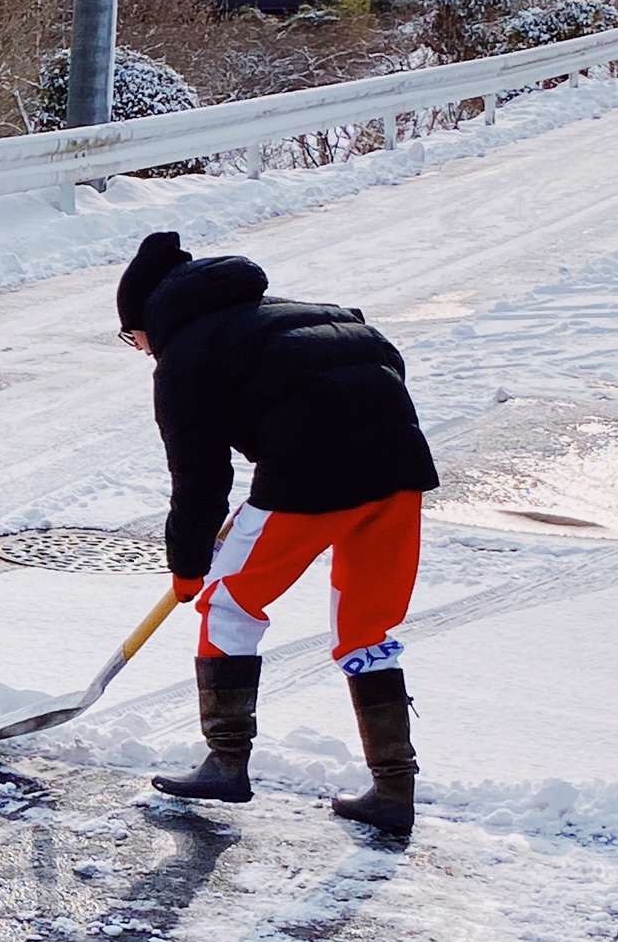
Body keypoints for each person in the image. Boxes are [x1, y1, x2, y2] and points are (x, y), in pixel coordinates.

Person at [115, 230, 439, 837]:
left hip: (310, 475)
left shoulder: (186, 355)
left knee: (227, 603)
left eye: (132, 338)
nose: (140, 350)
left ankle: (226, 763)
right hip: (400, 470)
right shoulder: (307, 314)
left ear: (150, 320)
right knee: (367, 626)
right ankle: (394, 790)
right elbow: (377, 363)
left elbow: (199, 478)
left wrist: (189, 569)